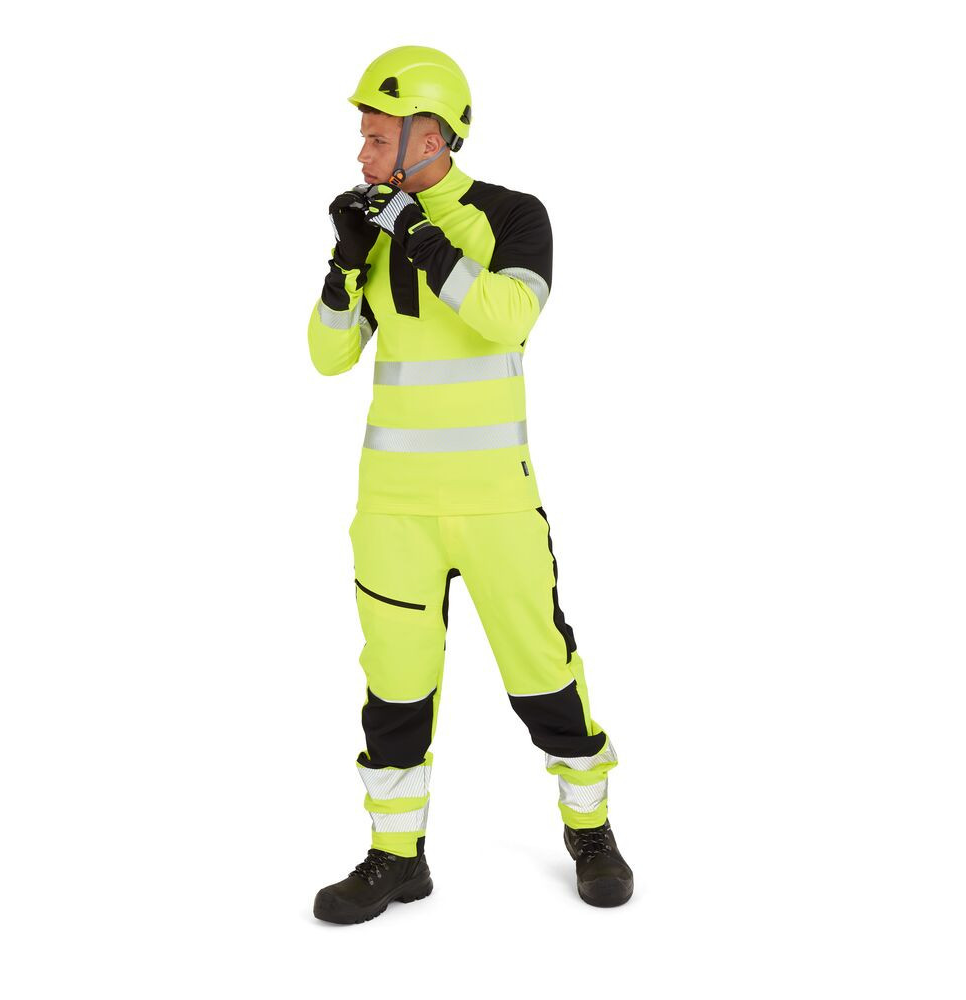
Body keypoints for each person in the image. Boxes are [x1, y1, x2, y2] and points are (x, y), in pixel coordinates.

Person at [308, 45, 632, 923]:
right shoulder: (373, 227)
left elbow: (508, 317)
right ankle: (395, 857)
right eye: (363, 136)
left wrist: (422, 238)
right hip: (393, 510)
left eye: (376, 136)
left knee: (543, 673)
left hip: (496, 504)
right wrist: (343, 266)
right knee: (395, 686)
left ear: (429, 136)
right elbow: (328, 355)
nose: (362, 152)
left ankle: (591, 831)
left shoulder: (512, 216)